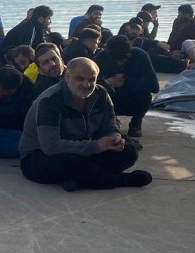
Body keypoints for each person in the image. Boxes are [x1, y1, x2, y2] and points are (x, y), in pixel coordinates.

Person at [19, 57, 151, 191]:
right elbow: (51, 146)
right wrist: (96, 146)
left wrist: (114, 139)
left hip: (82, 149)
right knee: (71, 163)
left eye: (91, 80)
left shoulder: (101, 94)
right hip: (40, 156)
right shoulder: (50, 100)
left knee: (129, 152)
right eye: (80, 79)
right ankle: (119, 180)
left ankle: (76, 178)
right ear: (67, 76)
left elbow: (110, 127)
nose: (86, 85)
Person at [96, 35, 159, 139]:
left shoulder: (140, 55)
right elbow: (89, 83)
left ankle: (136, 123)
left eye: (123, 59)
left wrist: (126, 81)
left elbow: (154, 86)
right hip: (110, 98)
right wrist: (107, 83)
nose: (120, 62)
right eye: (117, 60)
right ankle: (108, 122)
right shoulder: (101, 57)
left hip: (133, 96)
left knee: (146, 96)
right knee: (96, 94)